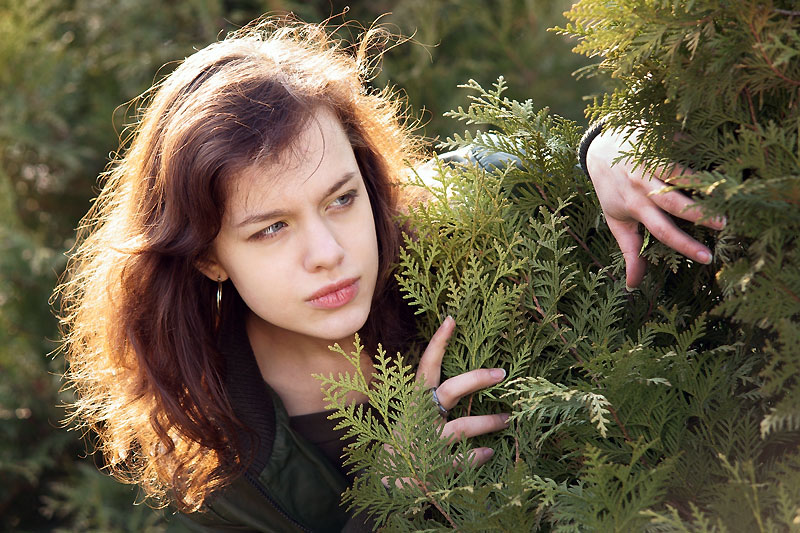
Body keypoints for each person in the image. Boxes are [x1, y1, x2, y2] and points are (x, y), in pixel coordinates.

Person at [56, 17, 723, 533]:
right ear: (206, 254)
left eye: (341, 199)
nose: (329, 250)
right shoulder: (218, 465)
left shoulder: (445, 226)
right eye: (272, 228)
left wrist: (602, 149)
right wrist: (395, 494)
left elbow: (533, 166)